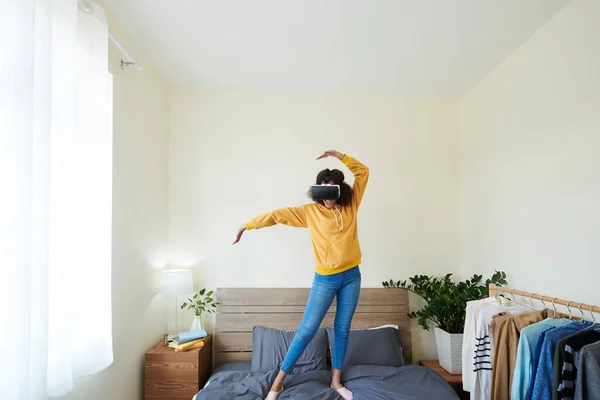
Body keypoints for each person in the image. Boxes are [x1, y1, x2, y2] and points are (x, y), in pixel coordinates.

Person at [233, 150, 369, 400]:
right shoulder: (310, 212)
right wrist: (247, 225)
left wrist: (338, 155)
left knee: (342, 328)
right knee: (306, 330)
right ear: (318, 192)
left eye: (333, 191)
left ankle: (336, 381)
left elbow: (363, 172)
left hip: (352, 275)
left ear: (341, 190)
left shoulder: (352, 204)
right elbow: (277, 215)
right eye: (324, 192)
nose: (328, 199)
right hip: (326, 279)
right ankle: (278, 383)